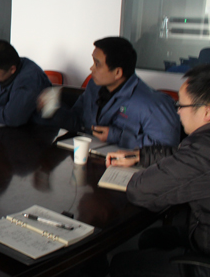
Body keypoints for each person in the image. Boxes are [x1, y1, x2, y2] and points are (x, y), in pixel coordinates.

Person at [106, 64, 210, 277]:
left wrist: (146, 174)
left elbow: (140, 190)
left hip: (205, 257)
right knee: (151, 238)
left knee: (120, 263)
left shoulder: (202, 151)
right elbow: (181, 153)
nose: (178, 111)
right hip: (201, 230)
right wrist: (140, 156)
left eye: (181, 105)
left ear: (207, 112)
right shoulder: (202, 145)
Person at [40, 37, 180, 149]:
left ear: (117, 72)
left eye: (97, 64)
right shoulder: (94, 87)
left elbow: (166, 149)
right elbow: (78, 121)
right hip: (90, 158)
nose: (91, 68)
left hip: (127, 168)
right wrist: (53, 110)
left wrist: (118, 136)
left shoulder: (153, 104)